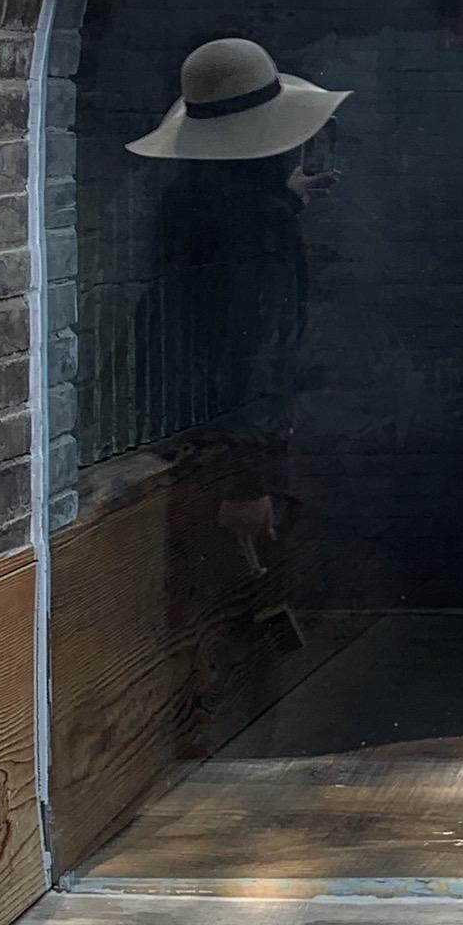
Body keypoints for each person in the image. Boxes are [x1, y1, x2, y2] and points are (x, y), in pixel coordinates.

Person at [126, 34, 350, 572]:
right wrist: (248, 484)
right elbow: (254, 356)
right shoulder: (261, 226)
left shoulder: (188, 197)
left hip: (173, 430)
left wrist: (284, 200)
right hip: (222, 454)